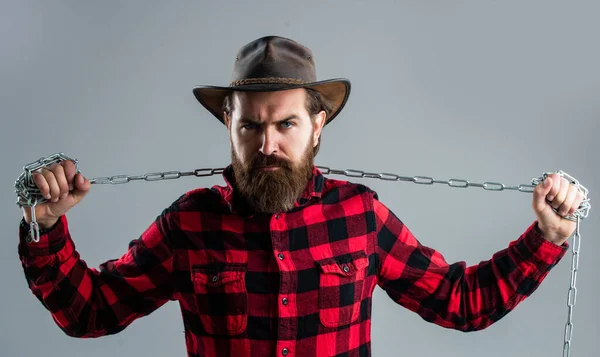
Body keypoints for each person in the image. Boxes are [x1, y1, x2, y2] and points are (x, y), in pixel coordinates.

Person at [17, 36, 584, 357]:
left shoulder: (360, 216)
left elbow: (463, 302)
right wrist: (45, 227)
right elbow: (88, 311)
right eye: (250, 127)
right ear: (228, 126)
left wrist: (547, 238)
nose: (267, 145)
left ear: (318, 125)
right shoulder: (188, 224)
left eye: (285, 125)